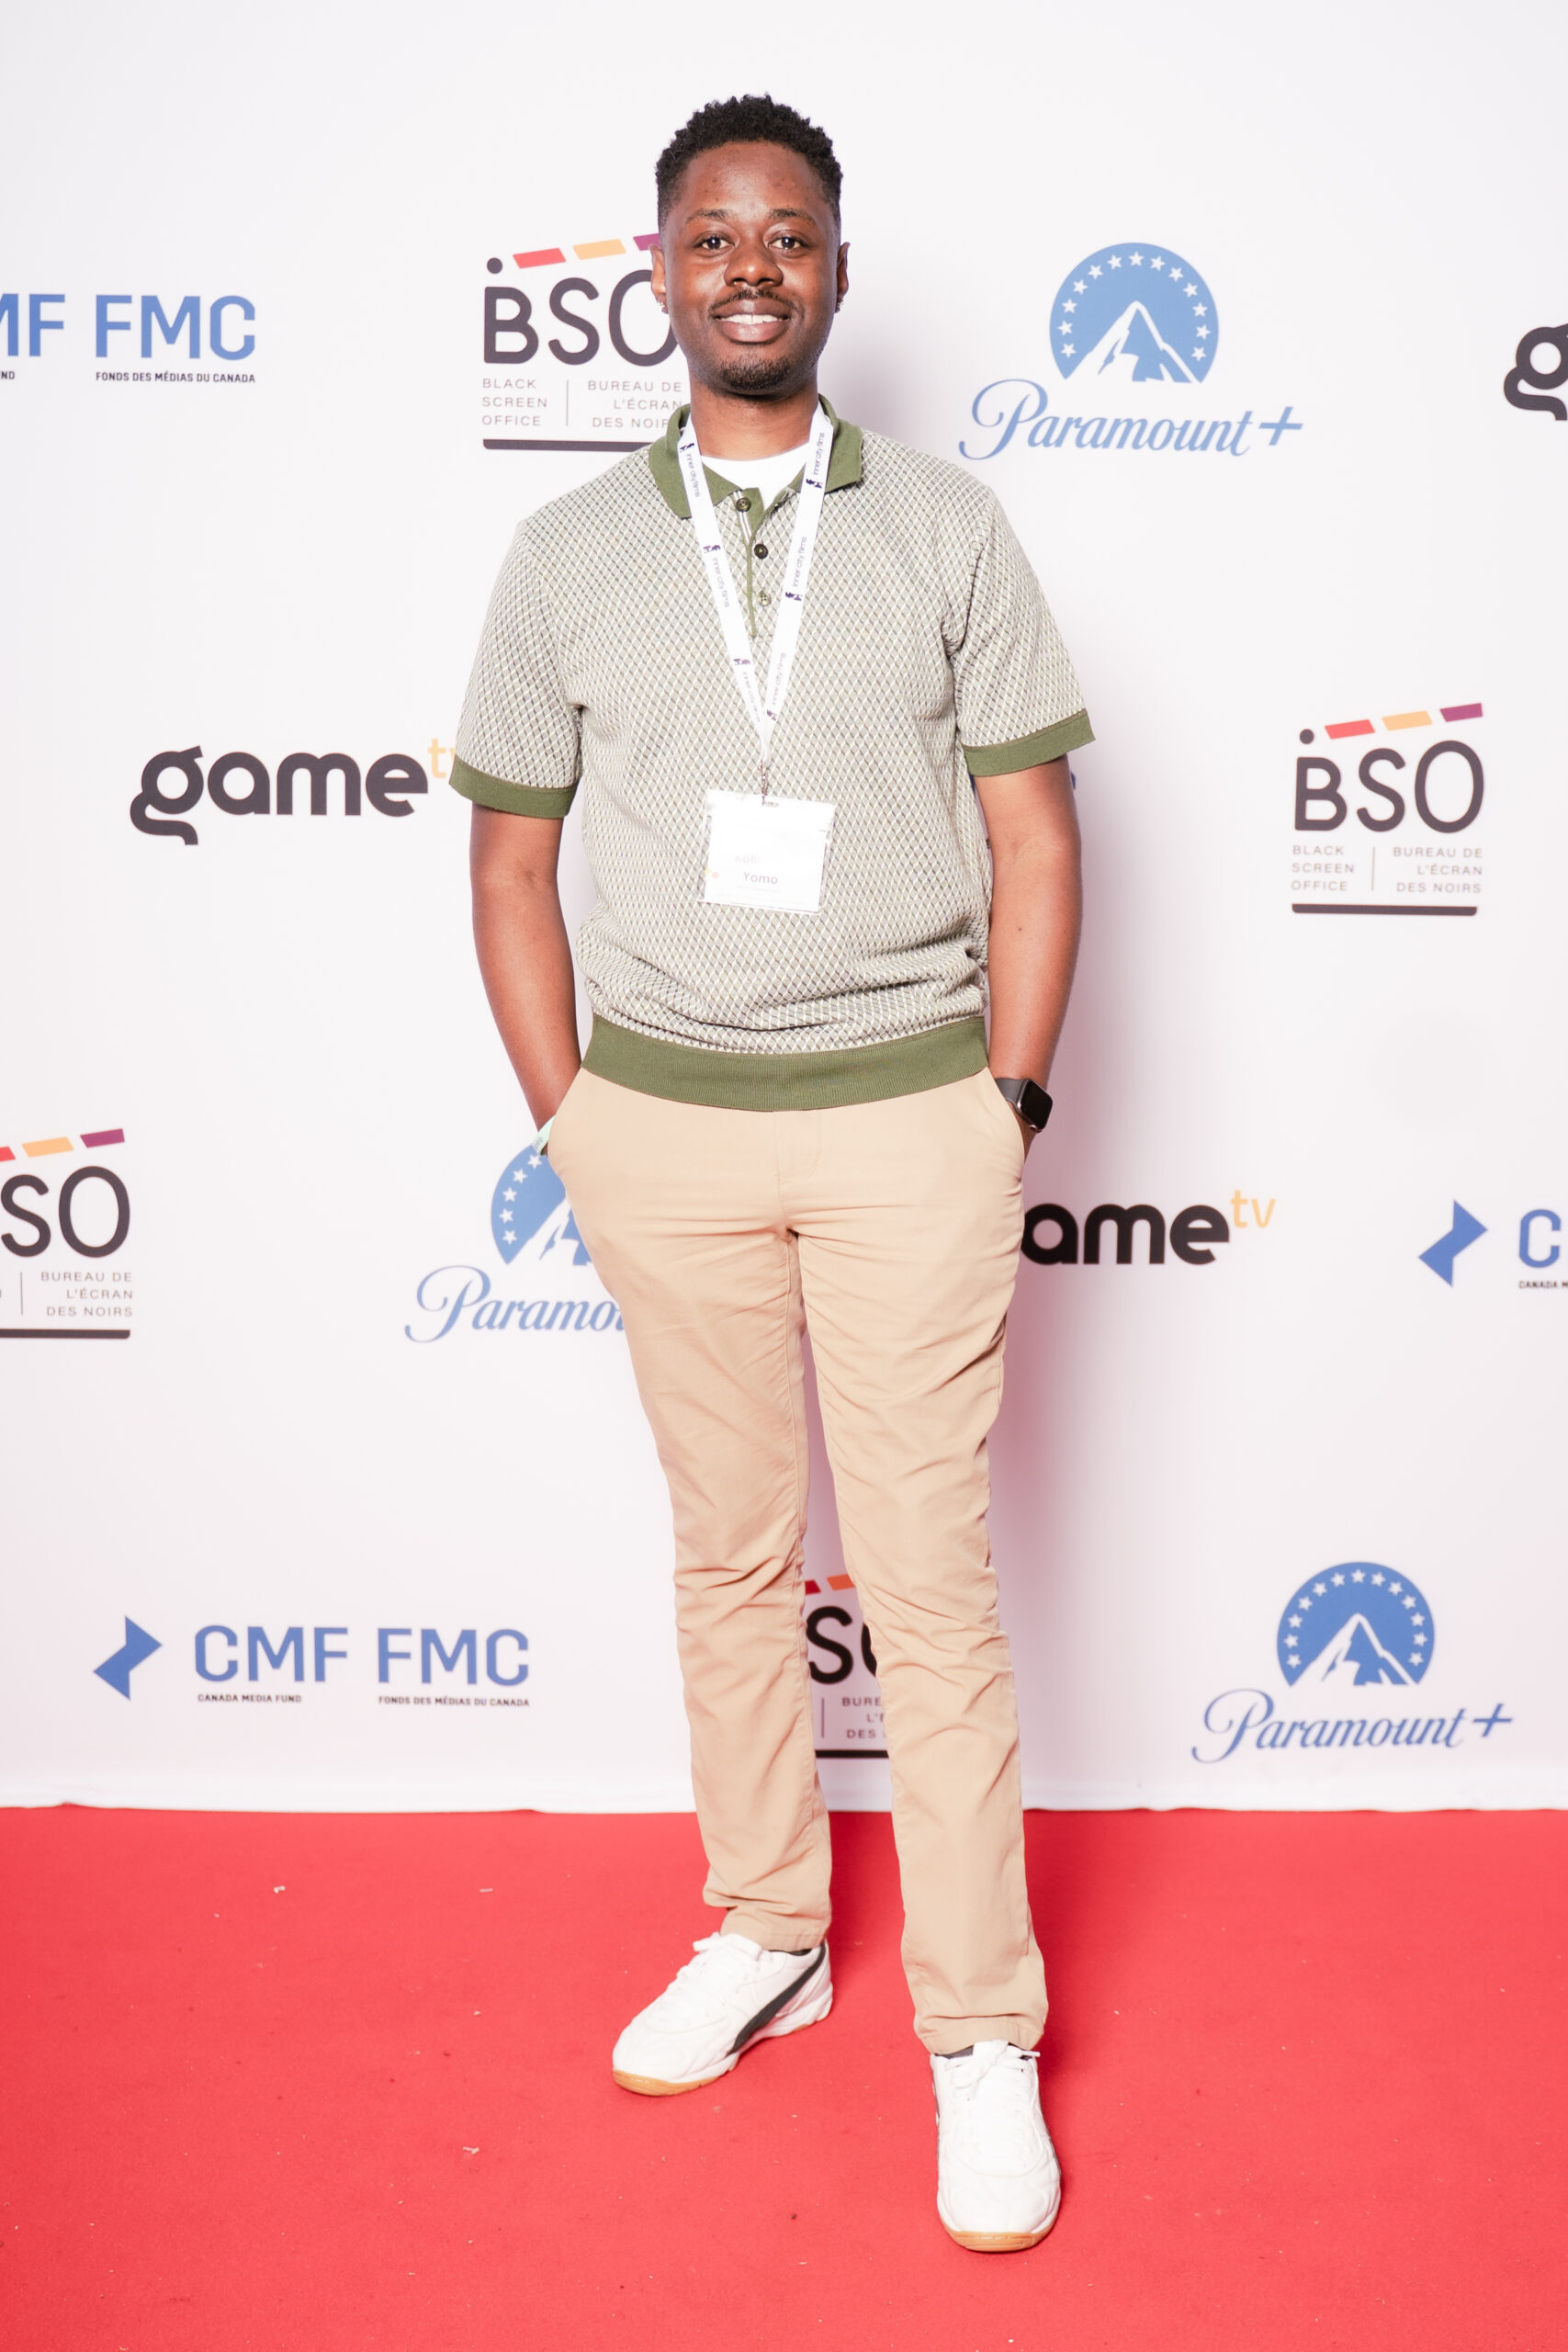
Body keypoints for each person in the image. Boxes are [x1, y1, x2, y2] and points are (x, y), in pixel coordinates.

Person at [456, 94, 1089, 2252]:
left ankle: (977, 2026)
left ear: (834, 269)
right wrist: (573, 1115)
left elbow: (1031, 833)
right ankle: (766, 1923)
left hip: (910, 1116)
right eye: (713, 232)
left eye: (787, 232)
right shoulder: (562, 554)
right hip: (666, 1128)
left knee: (926, 1584)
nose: (750, 263)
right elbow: (509, 859)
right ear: (658, 268)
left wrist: (1003, 1100)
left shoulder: (946, 525)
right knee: (729, 1555)